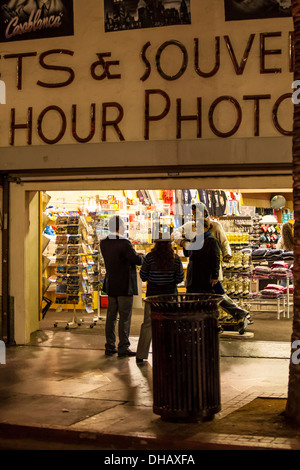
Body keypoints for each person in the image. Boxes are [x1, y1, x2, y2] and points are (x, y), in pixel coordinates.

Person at [172, 203, 249, 329]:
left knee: (216, 296)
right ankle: (214, 323)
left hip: (210, 269)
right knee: (211, 297)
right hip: (197, 269)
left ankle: (226, 318)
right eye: (194, 214)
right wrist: (183, 242)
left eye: (198, 213)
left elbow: (223, 242)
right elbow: (174, 235)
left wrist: (227, 255)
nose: (195, 216)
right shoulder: (190, 226)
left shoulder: (214, 227)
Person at [136, 236, 184, 364]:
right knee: (171, 323)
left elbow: (143, 275)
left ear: (156, 244)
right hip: (170, 296)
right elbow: (179, 278)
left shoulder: (149, 258)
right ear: (169, 245)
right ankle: (171, 352)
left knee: (147, 324)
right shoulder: (175, 258)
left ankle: (141, 354)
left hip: (153, 296)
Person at [100, 215, 143, 357]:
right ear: (120, 227)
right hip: (125, 284)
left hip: (111, 284)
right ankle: (123, 346)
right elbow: (136, 260)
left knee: (111, 316)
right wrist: (142, 256)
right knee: (125, 317)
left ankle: (109, 345)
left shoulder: (104, 243)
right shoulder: (124, 243)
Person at [184, 217, 225, 295]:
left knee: (205, 299)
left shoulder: (211, 240)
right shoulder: (195, 239)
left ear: (206, 227)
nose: (197, 229)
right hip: (193, 276)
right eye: (196, 227)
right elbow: (188, 254)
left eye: (199, 227)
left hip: (204, 276)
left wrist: (214, 276)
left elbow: (215, 258)